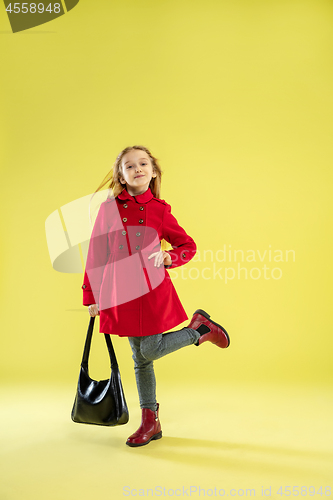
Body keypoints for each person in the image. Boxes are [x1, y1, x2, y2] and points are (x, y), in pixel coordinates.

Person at [81, 145, 230, 447]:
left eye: (143, 163)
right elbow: (96, 253)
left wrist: (170, 258)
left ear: (154, 171)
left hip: (151, 291)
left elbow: (187, 244)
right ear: (121, 177)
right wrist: (91, 295)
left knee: (148, 351)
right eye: (130, 166)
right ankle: (150, 421)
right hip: (119, 292)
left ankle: (199, 330)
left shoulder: (161, 210)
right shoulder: (109, 209)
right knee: (140, 358)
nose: (137, 169)